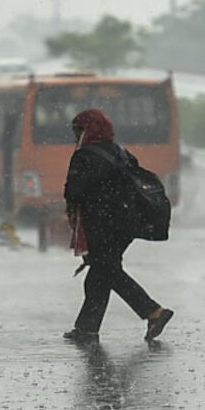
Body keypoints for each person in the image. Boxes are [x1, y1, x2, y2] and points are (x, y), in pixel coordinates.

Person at [62, 107, 174, 343]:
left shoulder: (84, 156)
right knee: (100, 273)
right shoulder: (121, 152)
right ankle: (87, 328)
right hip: (126, 224)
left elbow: (74, 192)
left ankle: (153, 311)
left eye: (78, 131)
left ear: (87, 131)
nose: (76, 137)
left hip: (101, 223)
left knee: (108, 271)